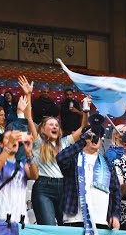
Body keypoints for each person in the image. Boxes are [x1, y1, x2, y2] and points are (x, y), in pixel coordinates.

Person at [18, 75, 89, 226]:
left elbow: (83, 128)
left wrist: (86, 110)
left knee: (65, 227)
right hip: (43, 187)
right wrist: (29, 94)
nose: (55, 126)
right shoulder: (38, 142)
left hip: (63, 187)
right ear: (42, 129)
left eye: (56, 124)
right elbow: (29, 118)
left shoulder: (64, 142)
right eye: (50, 124)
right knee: (49, 225)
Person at [56, 121, 122, 235]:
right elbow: (60, 158)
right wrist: (82, 142)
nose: (95, 138)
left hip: (101, 219)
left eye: (98, 135)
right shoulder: (74, 159)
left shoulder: (107, 163)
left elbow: (116, 191)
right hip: (75, 218)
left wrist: (115, 214)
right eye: (92, 135)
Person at [0, 130, 38, 224]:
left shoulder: (22, 164)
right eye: (9, 138)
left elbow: (34, 176)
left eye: (15, 139)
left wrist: (29, 154)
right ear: (0, 144)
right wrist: (8, 147)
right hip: (1, 213)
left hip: (20, 215)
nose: (13, 141)